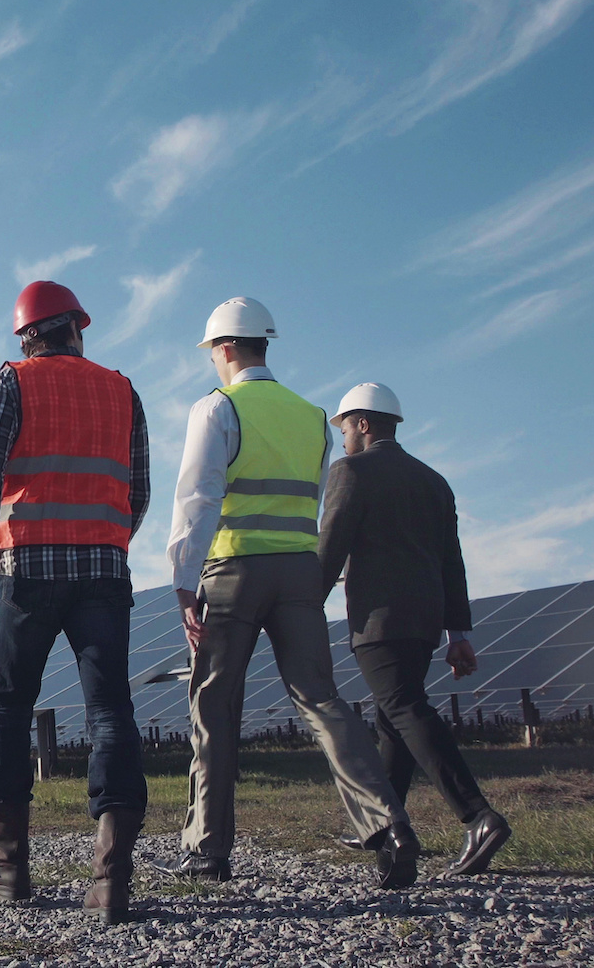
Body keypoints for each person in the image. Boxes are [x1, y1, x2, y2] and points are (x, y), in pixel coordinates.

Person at [158, 297, 420, 889]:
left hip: (233, 572)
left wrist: (182, 581)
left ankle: (208, 849)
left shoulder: (217, 408)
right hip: (300, 573)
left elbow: (197, 501)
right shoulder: (311, 414)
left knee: (215, 707)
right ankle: (389, 825)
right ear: (263, 345)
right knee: (322, 700)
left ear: (224, 349)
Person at [0, 280, 151, 925]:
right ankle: (111, 876)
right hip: (103, 567)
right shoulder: (122, 390)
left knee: (9, 708)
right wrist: (106, 538)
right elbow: (138, 488)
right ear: (77, 326)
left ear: (27, 334)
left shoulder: (10, 382)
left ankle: (10, 865)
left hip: (26, 567)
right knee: (110, 710)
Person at [320, 383, 512, 877]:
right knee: (393, 717)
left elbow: (331, 547)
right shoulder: (434, 480)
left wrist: (300, 605)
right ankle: (383, 824)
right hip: (425, 620)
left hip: (379, 620)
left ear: (363, 423)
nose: (341, 440)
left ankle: (478, 815)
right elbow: (453, 561)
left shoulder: (351, 471)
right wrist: (459, 631)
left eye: (343, 428)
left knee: (404, 709)